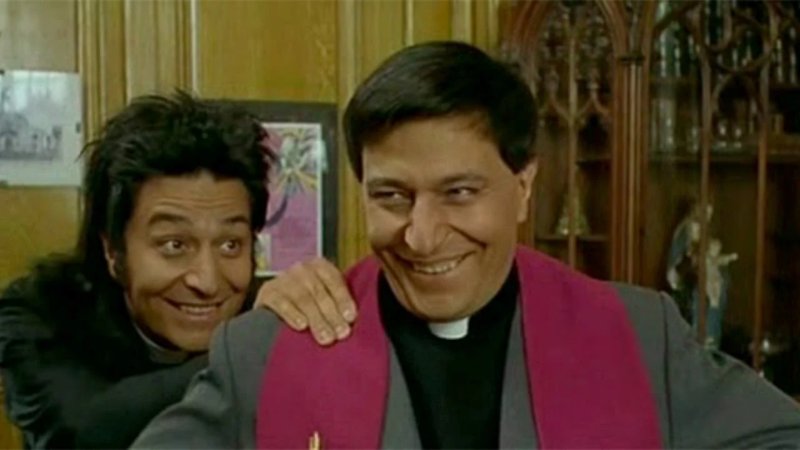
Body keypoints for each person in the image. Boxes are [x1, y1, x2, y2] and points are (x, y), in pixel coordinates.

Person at [133, 42, 800, 449]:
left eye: (458, 193)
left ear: (523, 186)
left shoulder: (638, 335)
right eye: (392, 196)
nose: (422, 236)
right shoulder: (271, 349)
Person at [0, 92, 355, 449]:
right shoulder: (38, 313)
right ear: (113, 251)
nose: (207, 281)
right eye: (174, 245)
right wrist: (250, 348)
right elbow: (79, 431)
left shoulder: (262, 311)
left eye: (230, 244)